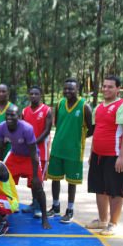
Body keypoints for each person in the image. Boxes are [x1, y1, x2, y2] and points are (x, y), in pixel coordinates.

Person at [86, 75, 123, 235]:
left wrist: (122, 156)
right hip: (98, 155)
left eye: (110, 86)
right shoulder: (98, 108)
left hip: (115, 156)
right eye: (104, 86)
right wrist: (92, 153)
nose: (106, 89)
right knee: (99, 188)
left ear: (118, 89)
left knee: (115, 190)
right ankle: (102, 220)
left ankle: (113, 223)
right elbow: (96, 132)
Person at [0, 105, 52, 230]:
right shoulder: (2, 127)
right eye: (7, 114)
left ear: (19, 117)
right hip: (14, 156)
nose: (9, 117)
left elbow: (33, 152)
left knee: (38, 187)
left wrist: (36, 176)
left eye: (13, 115)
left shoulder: (27, 128)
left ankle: (44, 218)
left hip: (29, 158)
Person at [46, 78, 93, 223]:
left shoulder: (84, 106)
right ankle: (55, 206)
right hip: (57, 149)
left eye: (70, 89)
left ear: (77, 89)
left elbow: (91, 129)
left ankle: (70, 210)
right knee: (55, 179)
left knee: (72, 181)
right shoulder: (59, 104)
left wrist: (77, 139)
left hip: (74, 151)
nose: (67, 91)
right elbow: (58, 123)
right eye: (65, 88)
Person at [21, 86, 53, 218]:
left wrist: (33, 142)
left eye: (36, 94)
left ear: (40, 96)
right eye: (31, 94)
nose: (33, 96)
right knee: (31, 178)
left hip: (41, 150)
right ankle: (34, 203)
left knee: (38, 179)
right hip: (29, 150)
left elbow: (46, 130)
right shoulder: (24, 111)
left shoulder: (47, 110)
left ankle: (40, 205)